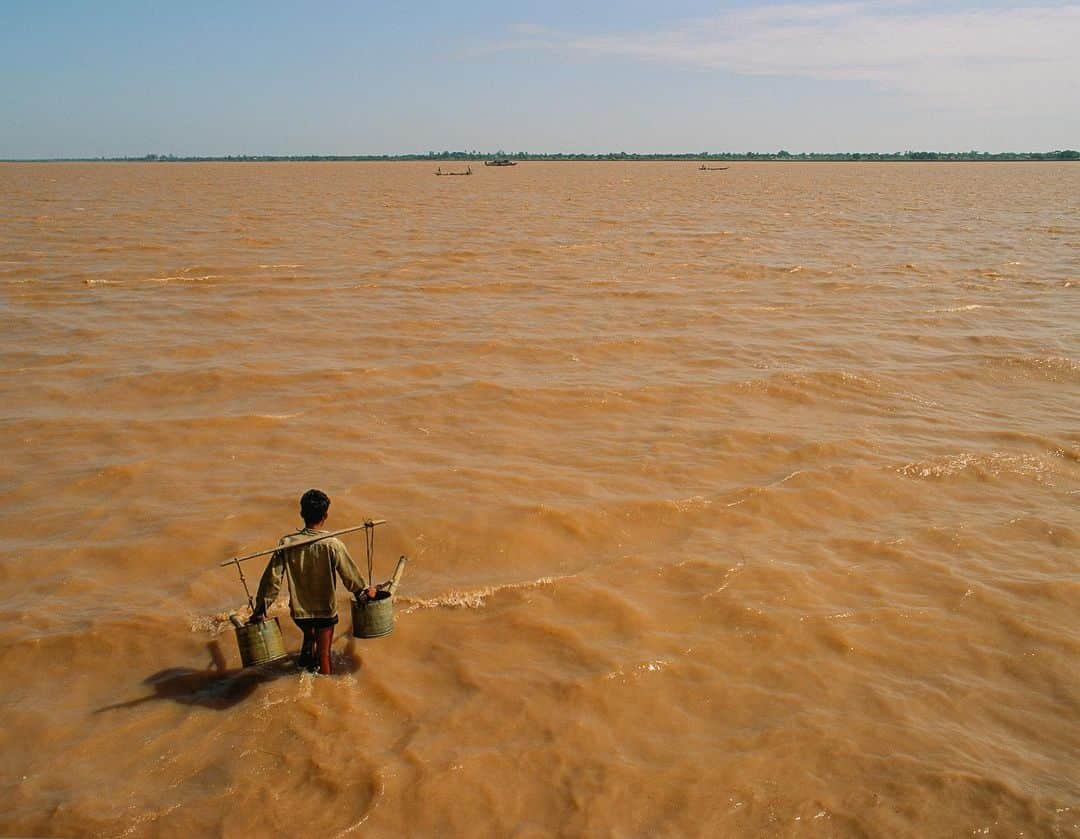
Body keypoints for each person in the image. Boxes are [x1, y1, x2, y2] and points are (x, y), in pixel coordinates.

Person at [249, 489, 375, 674]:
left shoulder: (287, 543)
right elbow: (350, 576)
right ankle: (324, 691)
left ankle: (304, 663)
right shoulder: (332, 544)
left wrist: (260, 609)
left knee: (309, 636)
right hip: (325, 612)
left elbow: (272, 580)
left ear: (301, 513)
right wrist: (363, 592)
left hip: (300, 613)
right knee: (324, 655)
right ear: (326, 515)